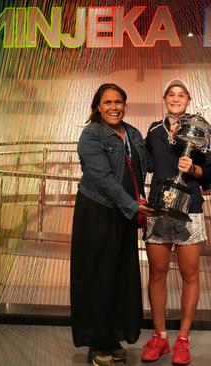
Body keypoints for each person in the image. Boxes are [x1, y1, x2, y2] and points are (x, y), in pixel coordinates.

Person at [70, 83, 155, 366]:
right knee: (98, 277)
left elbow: (146, 165)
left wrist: (174, 139)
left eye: (118, 101)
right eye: (107, 102)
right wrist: (134, 205)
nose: (114, 107)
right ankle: (97, 343)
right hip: (98, 212)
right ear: (97, 106)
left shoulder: (132, 133)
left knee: (121, 275)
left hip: (125, 213)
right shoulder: (91, 135)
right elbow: (103, 180)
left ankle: (114, 336)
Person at [140, 79, 211, 365]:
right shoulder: (154, 131)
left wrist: (192, 168)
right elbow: (143, 164)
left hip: (189, 209)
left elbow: (210, 174)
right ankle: (160, 336)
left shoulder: (203, 130)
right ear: (164, 98)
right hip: (159, 209)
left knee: (189, 275)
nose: (176, 98)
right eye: (171, 94)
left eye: (181, 94)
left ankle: (183, 338)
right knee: (157, 272)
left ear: (189, 99)